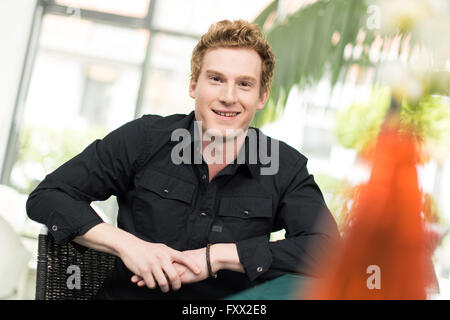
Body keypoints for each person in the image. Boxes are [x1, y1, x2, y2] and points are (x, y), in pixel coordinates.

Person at [26, 19, 340, 300]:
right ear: (193, 85)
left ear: (261, 96)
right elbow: (48, 196)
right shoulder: (145, 138)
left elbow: (328, 250)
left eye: (244, 83)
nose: (229, 96)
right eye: (216, 79)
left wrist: (218, 256)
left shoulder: (284, 166)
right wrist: (129, 246)